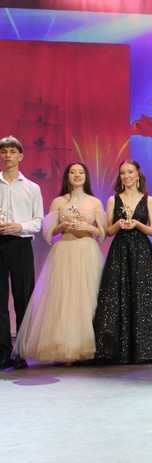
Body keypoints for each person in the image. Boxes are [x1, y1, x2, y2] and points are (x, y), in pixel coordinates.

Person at [13, 162, 105, 364]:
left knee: (88, 298)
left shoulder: (95, 202)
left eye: (81, 172)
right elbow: (48, 233)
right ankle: (66, 349)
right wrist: (62, 226)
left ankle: (90, 348)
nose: (77, 175)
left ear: (86, 176)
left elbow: (102, 233)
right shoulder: (58, 202)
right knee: (64, 299)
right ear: (67, 176)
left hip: (87, 251)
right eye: (73, 172)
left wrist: (88, 228)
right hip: (64, 252)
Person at [93, 159, 152, 364]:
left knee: (143, 295)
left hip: (141, 250)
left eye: (130, 172)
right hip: (120, 250)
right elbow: (109, 231)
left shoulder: (148, 200)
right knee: (117, 296)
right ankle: (117, 350)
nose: (126, 176)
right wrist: (119, 224)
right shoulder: (113, 200)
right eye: (122, 173)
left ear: (138, 174)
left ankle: (146, 349)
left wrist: (137, 223)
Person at [0, 136, 43, 370]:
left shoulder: (32, 188)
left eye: (12, 151)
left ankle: (21, 352)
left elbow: (38, 221)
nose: (7, 155)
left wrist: (19, 227)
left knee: (23, 297)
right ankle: (3, 352)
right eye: (4, 151)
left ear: (20, 156)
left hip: (20, 244)